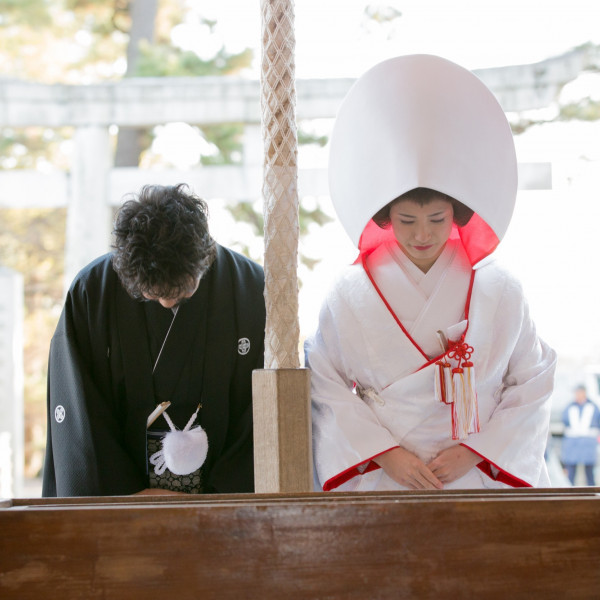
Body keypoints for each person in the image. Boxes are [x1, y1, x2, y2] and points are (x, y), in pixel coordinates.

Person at [306, 55, 557, 492]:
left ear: (456, 214)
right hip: (386, 477)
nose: (422, 234)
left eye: (437, 219)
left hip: (476, 473)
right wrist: (386, 453)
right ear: (385, 217)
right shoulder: (349, 293)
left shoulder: (499, 288)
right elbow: (325, 384)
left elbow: (532, 381)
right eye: (407, 220)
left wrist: (477, 451)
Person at [42, 183, 265, 497]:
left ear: (205, 255)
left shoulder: (251, 289)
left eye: (182, 290)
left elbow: (262, 412)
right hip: (124, 500)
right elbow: (79, 410)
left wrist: (220, 496)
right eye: (152, 294)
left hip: (221, 499)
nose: (167, 302)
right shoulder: (93, 291)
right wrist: (127, 493)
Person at [560, 385, 600, 486]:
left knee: (589, 471)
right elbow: (565, 421)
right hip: (573, 443)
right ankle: (569, 491)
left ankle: (592, 492)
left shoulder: (593, 407)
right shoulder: (570, 407)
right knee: (571, 471)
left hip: (588, 443)